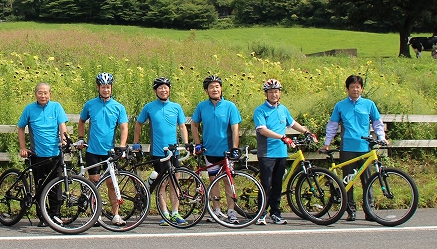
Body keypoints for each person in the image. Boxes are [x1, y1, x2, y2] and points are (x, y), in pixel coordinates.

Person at [322, 74, 387, 221]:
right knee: (347, 181)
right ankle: (350, 211)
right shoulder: (340, 106)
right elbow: (332, 125)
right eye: (352, 87)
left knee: (367, 181)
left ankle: (369, 210)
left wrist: (381, 137)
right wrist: (327, 142)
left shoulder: (369, 104)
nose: (355, 90)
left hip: (365, 149)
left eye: (358, 87)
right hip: (347, 148)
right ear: (347, 89)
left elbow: (377, 123)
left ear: (362, 89)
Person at [253, 78, 315, 225]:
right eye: (271, 92)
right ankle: (261, 213)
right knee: (266, 184)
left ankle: (275, 213)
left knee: (277, 184)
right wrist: (282, 137)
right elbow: (262, 130)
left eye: (276, 91)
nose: (274, 94)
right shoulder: (260, 110)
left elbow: (292, 123)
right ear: (266, 94)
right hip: (267, 152)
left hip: (281, 152)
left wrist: (307, 132)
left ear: (280, 93)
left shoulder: (283, 109)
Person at [133, 76, 189, 226]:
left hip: (173, 151)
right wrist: (136, 142)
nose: (163, 90)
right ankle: (165, 213)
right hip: (158, 151)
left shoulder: (176, 107)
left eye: (165, 87)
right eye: (160, 88)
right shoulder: (149, 107)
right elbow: (138, 123)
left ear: (169, 89)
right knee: (162, 184)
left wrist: (186, 143)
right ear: (155, 91)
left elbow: (182, 126)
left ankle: (175, 213)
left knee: (175, 182)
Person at [76, 72, 129, 226]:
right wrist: (81, 138)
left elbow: (124, 127)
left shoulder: (118, 107)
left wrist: (122, 146)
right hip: (93, 150)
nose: (106, 90)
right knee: (94, 183)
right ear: (98, 87)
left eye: (108, 87)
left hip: (110, 152)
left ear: (111, 88)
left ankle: (116, 215)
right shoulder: (90, 104)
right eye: (103, 87)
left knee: (112, 184)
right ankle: (96, 214)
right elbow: (81, 121)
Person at [190, 74, 242, 224]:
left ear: (221, 88)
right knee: (213, 181)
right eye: (211, 87)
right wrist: (197, 143)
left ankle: (231, 211)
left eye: (217, 86)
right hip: (209, 150)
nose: (215, 89)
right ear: (206, 90)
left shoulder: (230, 106)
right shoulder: (202, 106)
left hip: (226, 151)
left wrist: (235, 148)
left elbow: (235, 128)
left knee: (228, 180)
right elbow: (194, 124)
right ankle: (217, 210)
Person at [17, 82, 68, 224]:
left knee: (56, 187)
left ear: (50, 94)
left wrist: (64, 141)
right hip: (37, 155)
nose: (43, 95)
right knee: (40, 187)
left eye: (45, 93)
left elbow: (62, 126)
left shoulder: (56, 107)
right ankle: (43, 217)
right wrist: (22, 147)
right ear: (35, 94)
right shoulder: (29, 109)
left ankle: (55, 214)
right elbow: (20, 127)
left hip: (55, 154)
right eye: (40, 92)